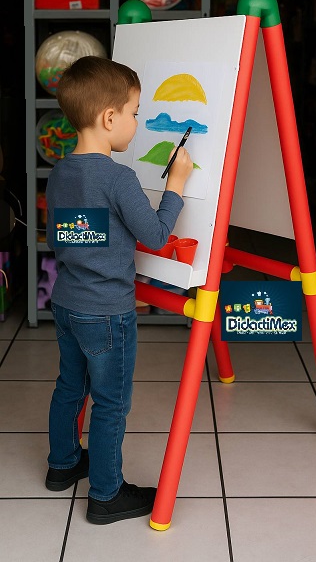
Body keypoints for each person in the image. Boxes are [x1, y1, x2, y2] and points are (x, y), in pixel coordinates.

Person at [44, 55, 193, 525]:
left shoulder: (60, 173)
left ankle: (62, 465)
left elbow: (59, 236)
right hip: (107, 312)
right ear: (109, 118)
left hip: (66, 303)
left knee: (70, 386)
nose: (137, 122)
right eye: (134, 113)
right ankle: (106, 495)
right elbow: (155, 235)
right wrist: (176, 185)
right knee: (111, 403)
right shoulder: (118, 177)